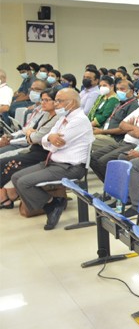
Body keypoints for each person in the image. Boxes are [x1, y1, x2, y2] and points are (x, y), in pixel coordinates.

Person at [11, 89, 94, 230]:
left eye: (59, 101)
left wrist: (49, 140)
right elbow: (46, 140)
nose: (56, 104)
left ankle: (52, 205)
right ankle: (52, 203)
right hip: (53, 163)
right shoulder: (63, 118)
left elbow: (54, 147)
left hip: (70, 167)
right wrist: (49, 138)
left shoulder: (79, 120)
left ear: (72, 102)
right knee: (16, 177)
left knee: (24, 182)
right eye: (55, 100)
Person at [0, 89, 59, 209]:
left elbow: (36, 137)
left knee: (3, 162)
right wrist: (31, 133)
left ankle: (7, 198)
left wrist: (32, 134)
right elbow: (29, 131)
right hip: (33, 149)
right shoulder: (45, 114)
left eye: (47, 100)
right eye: (42, 99)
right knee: (3, 161)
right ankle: (5, 197)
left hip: (44, 154)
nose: (43, 102)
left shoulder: (57, 118)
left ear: (56, 102)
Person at [90, 88, 139, 182]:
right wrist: (133, 128)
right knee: (92, 158)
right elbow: (122, 124)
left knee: (103, 162)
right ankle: (113, 186)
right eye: (138, 97)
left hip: (135, 145)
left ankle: (117, 187)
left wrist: (129, 128)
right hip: (124, 142)